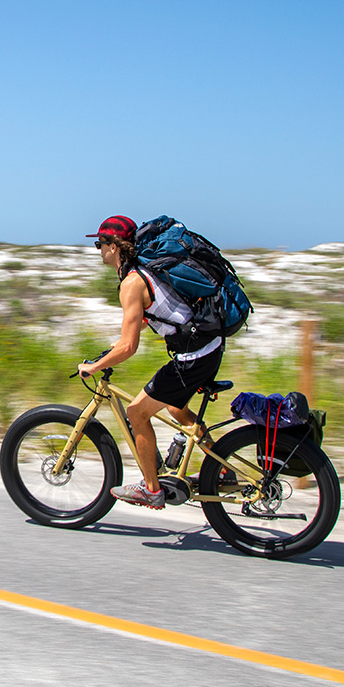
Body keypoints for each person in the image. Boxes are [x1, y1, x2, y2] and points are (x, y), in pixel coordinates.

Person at [77, 215, 226, 510]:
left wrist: (94, 367)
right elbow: (158, 313)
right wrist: (118, 345)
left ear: (114, 246)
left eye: (99, 244)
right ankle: (221, 467)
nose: (98, 250)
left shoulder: (132, 283)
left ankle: (151, 490)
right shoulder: (144, 272)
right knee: (176, 408)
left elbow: (129, 347)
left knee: (136, 412)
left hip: (194, 357)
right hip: (210, 346)